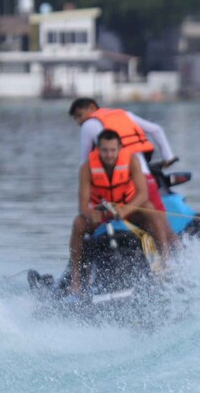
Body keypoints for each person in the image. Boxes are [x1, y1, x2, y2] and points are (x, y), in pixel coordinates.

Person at [68, 130, 172, 295]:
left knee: (151, 209)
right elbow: (83, 205)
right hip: (102, 214)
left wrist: (125, 209)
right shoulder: (87, 168)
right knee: (78, 222)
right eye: (104, 150)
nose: (108, 155)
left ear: (119, 148)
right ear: (97, 150)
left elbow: (142, 193)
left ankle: (165, 261)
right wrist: (89, 214)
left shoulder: (132, 160)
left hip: (128, 210)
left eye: (112, 150)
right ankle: (76, 278)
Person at [69, 97, 178, 249]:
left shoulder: (88, 125)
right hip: (145, 175)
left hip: (120, 181)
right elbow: (156, 129)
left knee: (84, 222)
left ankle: (79, 269)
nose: (79, 121)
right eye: (76, 118)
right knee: (162, 225)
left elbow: (85, 160)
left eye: (79, 115)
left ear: (92, 108)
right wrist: (168, 157)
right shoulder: (125, 114)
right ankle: (175, 261)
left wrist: (85, 186)